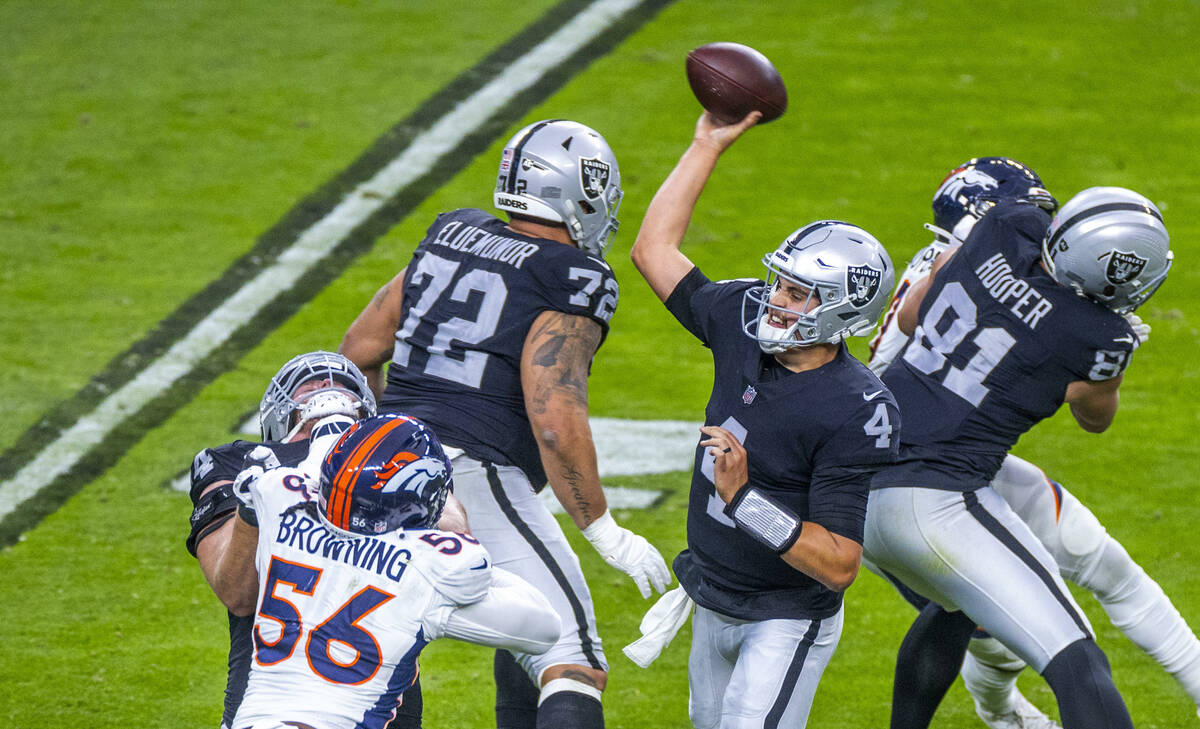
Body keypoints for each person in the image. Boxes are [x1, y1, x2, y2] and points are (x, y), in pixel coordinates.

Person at [339, 119, 671, 729]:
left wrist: (389, 441)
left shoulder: (453, 231)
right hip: (469, 472)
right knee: (572, 658)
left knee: (383, 647)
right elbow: (553, 415)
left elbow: (359, 351)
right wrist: (602, 528)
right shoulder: (575, 275)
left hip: (376, 468)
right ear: (577, 192)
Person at [868, 158, 1200, 728]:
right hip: (939, 492)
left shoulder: (1001, 227)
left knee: (953, 605)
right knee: (1079, 663)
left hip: (857, 471)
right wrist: (1106, 364)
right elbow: (1095, 419)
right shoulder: (1101, 335)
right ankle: (1003, 713)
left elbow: (917, 313)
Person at [628, 110, 900, 729]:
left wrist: (744, 497)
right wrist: (705, 144)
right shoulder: (742, 317)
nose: (776, 299)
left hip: (785, 615)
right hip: (712, 596)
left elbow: (838, 564)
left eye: (798, 293)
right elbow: (654, 251)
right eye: (781, 282)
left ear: (842, 309)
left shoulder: (856, 407)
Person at [221, 413, 562, 729]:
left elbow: (315, 460)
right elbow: (544, 629)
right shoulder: (428, 565)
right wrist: (457, 537)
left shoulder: (279, 500)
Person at [187, 351, 464, 728]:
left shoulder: (398, 463)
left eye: (344, 386)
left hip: (377, 697)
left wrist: (356, 472)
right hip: (273, 696)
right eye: (310, 384)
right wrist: (262, 495)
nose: (327, 390)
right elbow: (237, 592)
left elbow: (456, 535)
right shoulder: (239, 463)